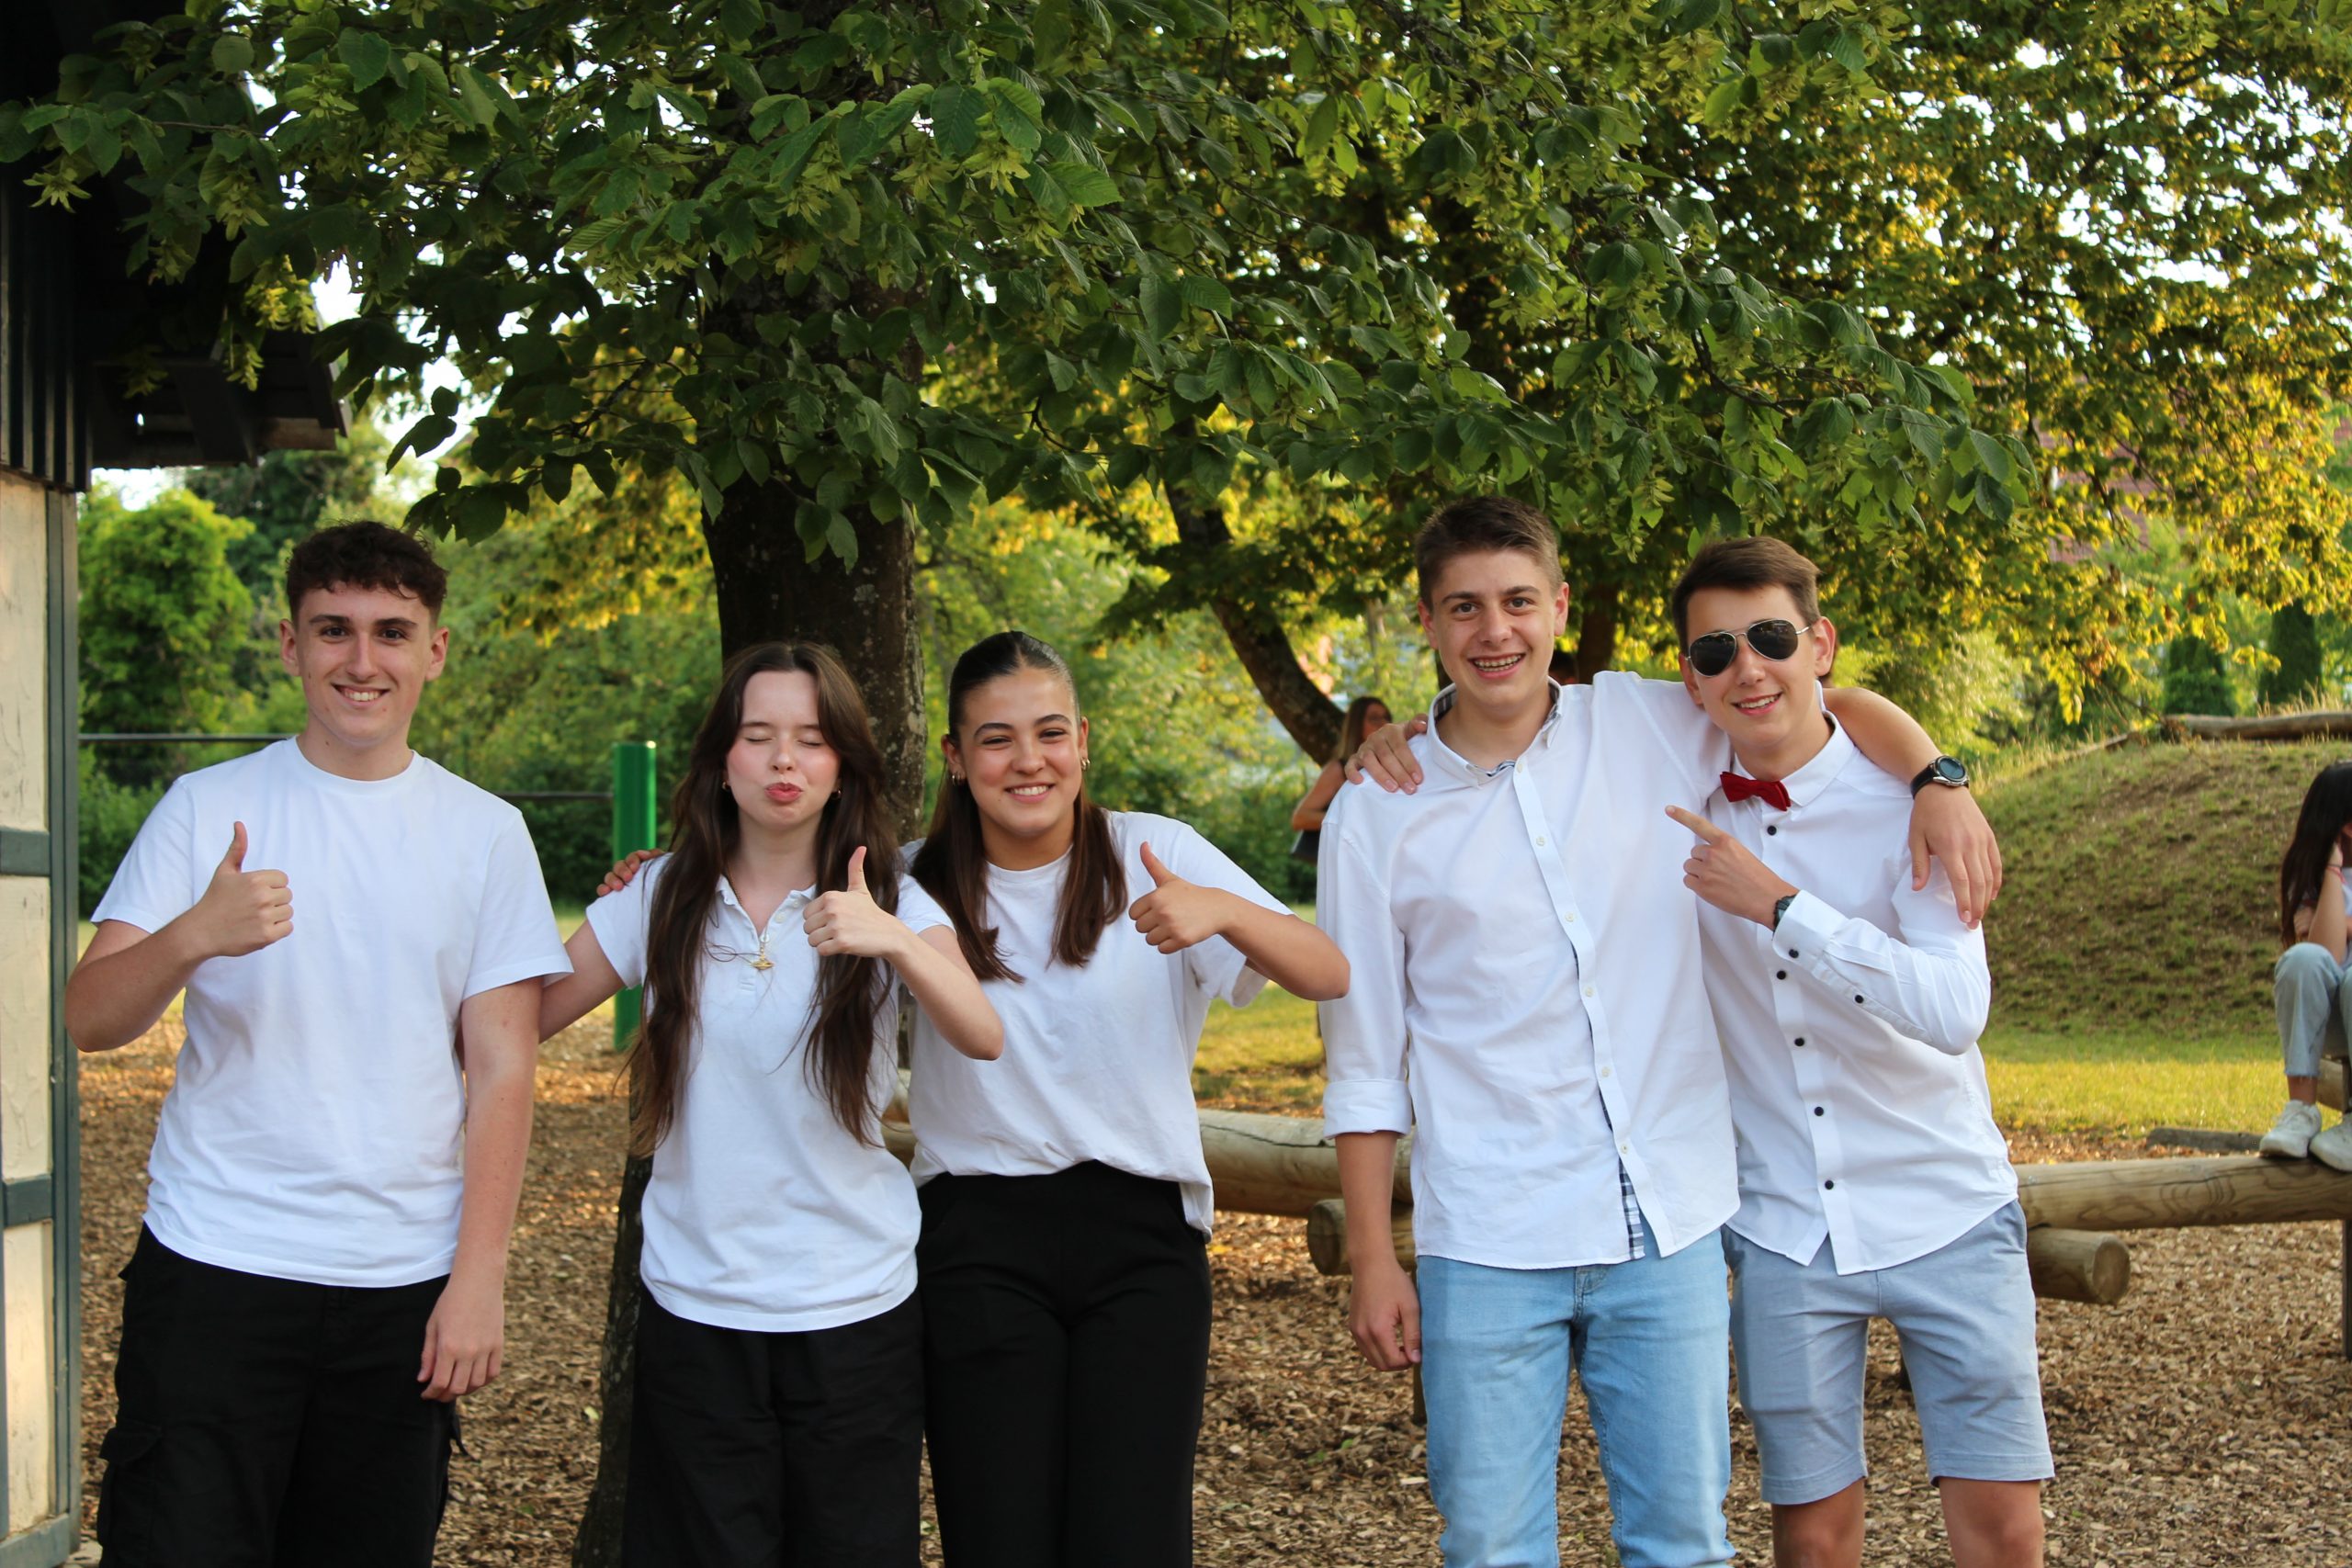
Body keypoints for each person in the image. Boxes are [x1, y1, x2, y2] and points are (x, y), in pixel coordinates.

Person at [1321, 497, 2002, 1568]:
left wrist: (1937, 777)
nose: (1495, 631)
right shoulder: (1377, 811)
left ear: (1559, 608)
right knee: (1490, 1546)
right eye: (1464, 608)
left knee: (1683, 1543)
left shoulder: (1646, 721)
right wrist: (1373, 1257)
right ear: (1428, 623)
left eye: (1517, 602)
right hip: (1490, 1232)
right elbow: (1364, 1060)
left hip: (1669, 1225)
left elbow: (1806, 695)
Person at [64, 522, 571, 1567]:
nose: (361, 659)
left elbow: (503, 1067)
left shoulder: (485, 832)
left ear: (434, 650)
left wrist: (479, 1276)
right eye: (333, 629)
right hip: (215, 1265)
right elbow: (91, 1020)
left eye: (392, 632)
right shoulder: (209, 807)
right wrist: (193, 935)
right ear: (291, 645)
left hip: (400, 1283)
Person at [539, 642, 1001, 1567]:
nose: (784, 759)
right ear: (722, 759)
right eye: (758, 736)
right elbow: (526, 1014)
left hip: (854, 1307)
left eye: (812, 738)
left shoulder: (890, 896)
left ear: (843, 766)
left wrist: (891, 940)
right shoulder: (660, 893)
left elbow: (982, 1032)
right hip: (697, 1308)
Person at [909, 630, 1348, 1568]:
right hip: (976, 1238)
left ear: (1083, 740)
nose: (1028, 760)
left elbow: (1326, 971)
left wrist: (1226, 910)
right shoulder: (913, 884)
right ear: (955, 756)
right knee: (999, 1534)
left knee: (1133, 1536)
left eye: (1049, 732)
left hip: (1142, 1241)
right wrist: (656, 873)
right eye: (995, 739)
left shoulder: (1155, 850)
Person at [1668, 536, 2049, 1568]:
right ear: (1689, 678)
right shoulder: (1668, 803)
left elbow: (1954, 1009)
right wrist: (1396, 739)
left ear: (1821, 644)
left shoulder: (1912, 809)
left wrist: (1783, 907)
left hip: (1946, 1203)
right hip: (1783, 1224)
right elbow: (1519, 708)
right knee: (1813, 1534)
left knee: (2003, 1528)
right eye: (1715, 651)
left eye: (1771, 638)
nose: (1747, 668)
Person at [2260, 761, 2352, 1166]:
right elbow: (2326, 955)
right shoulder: (2311, 875)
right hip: (2329, 1023)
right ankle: (2300, 1112)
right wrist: (2332, 869)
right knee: (2301, 958)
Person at [1291, 695, 1392, 858]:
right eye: (1374, 718)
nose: (1383, 723)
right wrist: (1351, 819)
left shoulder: (1393, 765)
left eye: (1386, 717)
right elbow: (1300, 818)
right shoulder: (1338, 769)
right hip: (1349, 858)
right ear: (1357, 726)